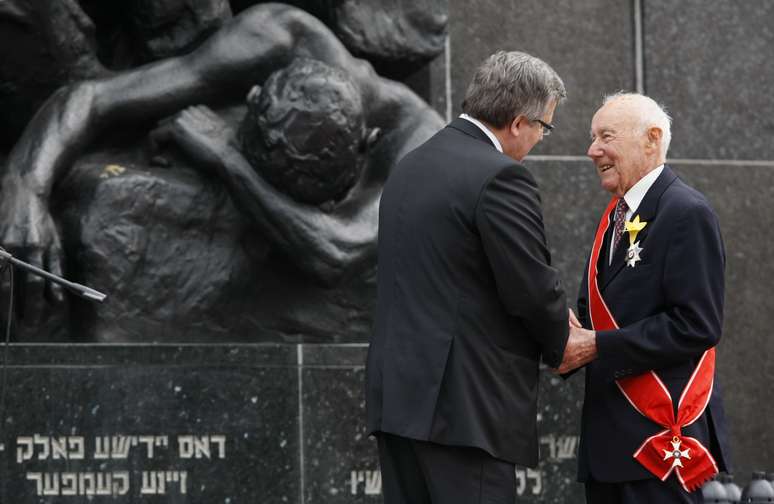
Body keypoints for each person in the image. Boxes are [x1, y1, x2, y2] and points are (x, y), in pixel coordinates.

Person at [0, 3, 443, 330]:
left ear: (367, 144)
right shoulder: (277, 38)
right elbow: (94, 98)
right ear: (253, 95)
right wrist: (26, 182)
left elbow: (335, 252)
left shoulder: (423, 143)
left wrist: (224, 157)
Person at [366, 51, 577, 503]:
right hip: (464, 411)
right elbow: (531, 287)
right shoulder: (501, 177)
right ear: (518, 122)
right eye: (544, 126)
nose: (540, 138)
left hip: (399, 404)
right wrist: (562, 340)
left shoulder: (409, 167)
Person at [559, 93, 730, 503]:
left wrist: (597, 345)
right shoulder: (615, 217)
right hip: (609, 446)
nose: (592, 150)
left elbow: (697, 325)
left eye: (606, 136)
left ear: (652, 139)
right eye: (592, 137)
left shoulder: (686, 212)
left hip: (661, 447)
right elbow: (601, 319)